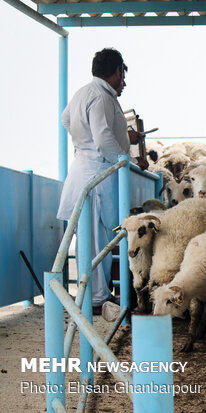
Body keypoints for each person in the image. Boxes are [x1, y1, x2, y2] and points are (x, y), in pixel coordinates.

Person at [57, 48, 147, 315]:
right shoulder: (101, 97)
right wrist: (127, 161)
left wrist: (82, 142)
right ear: (117, 70)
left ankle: (95, 295)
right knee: (97, 239)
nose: (124, 82)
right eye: (123, 74)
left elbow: (66, 120)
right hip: (97, 175)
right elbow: (103, 138)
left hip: (85, 170)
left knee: (92, 238)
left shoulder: (84, 92)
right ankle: (97, 299)